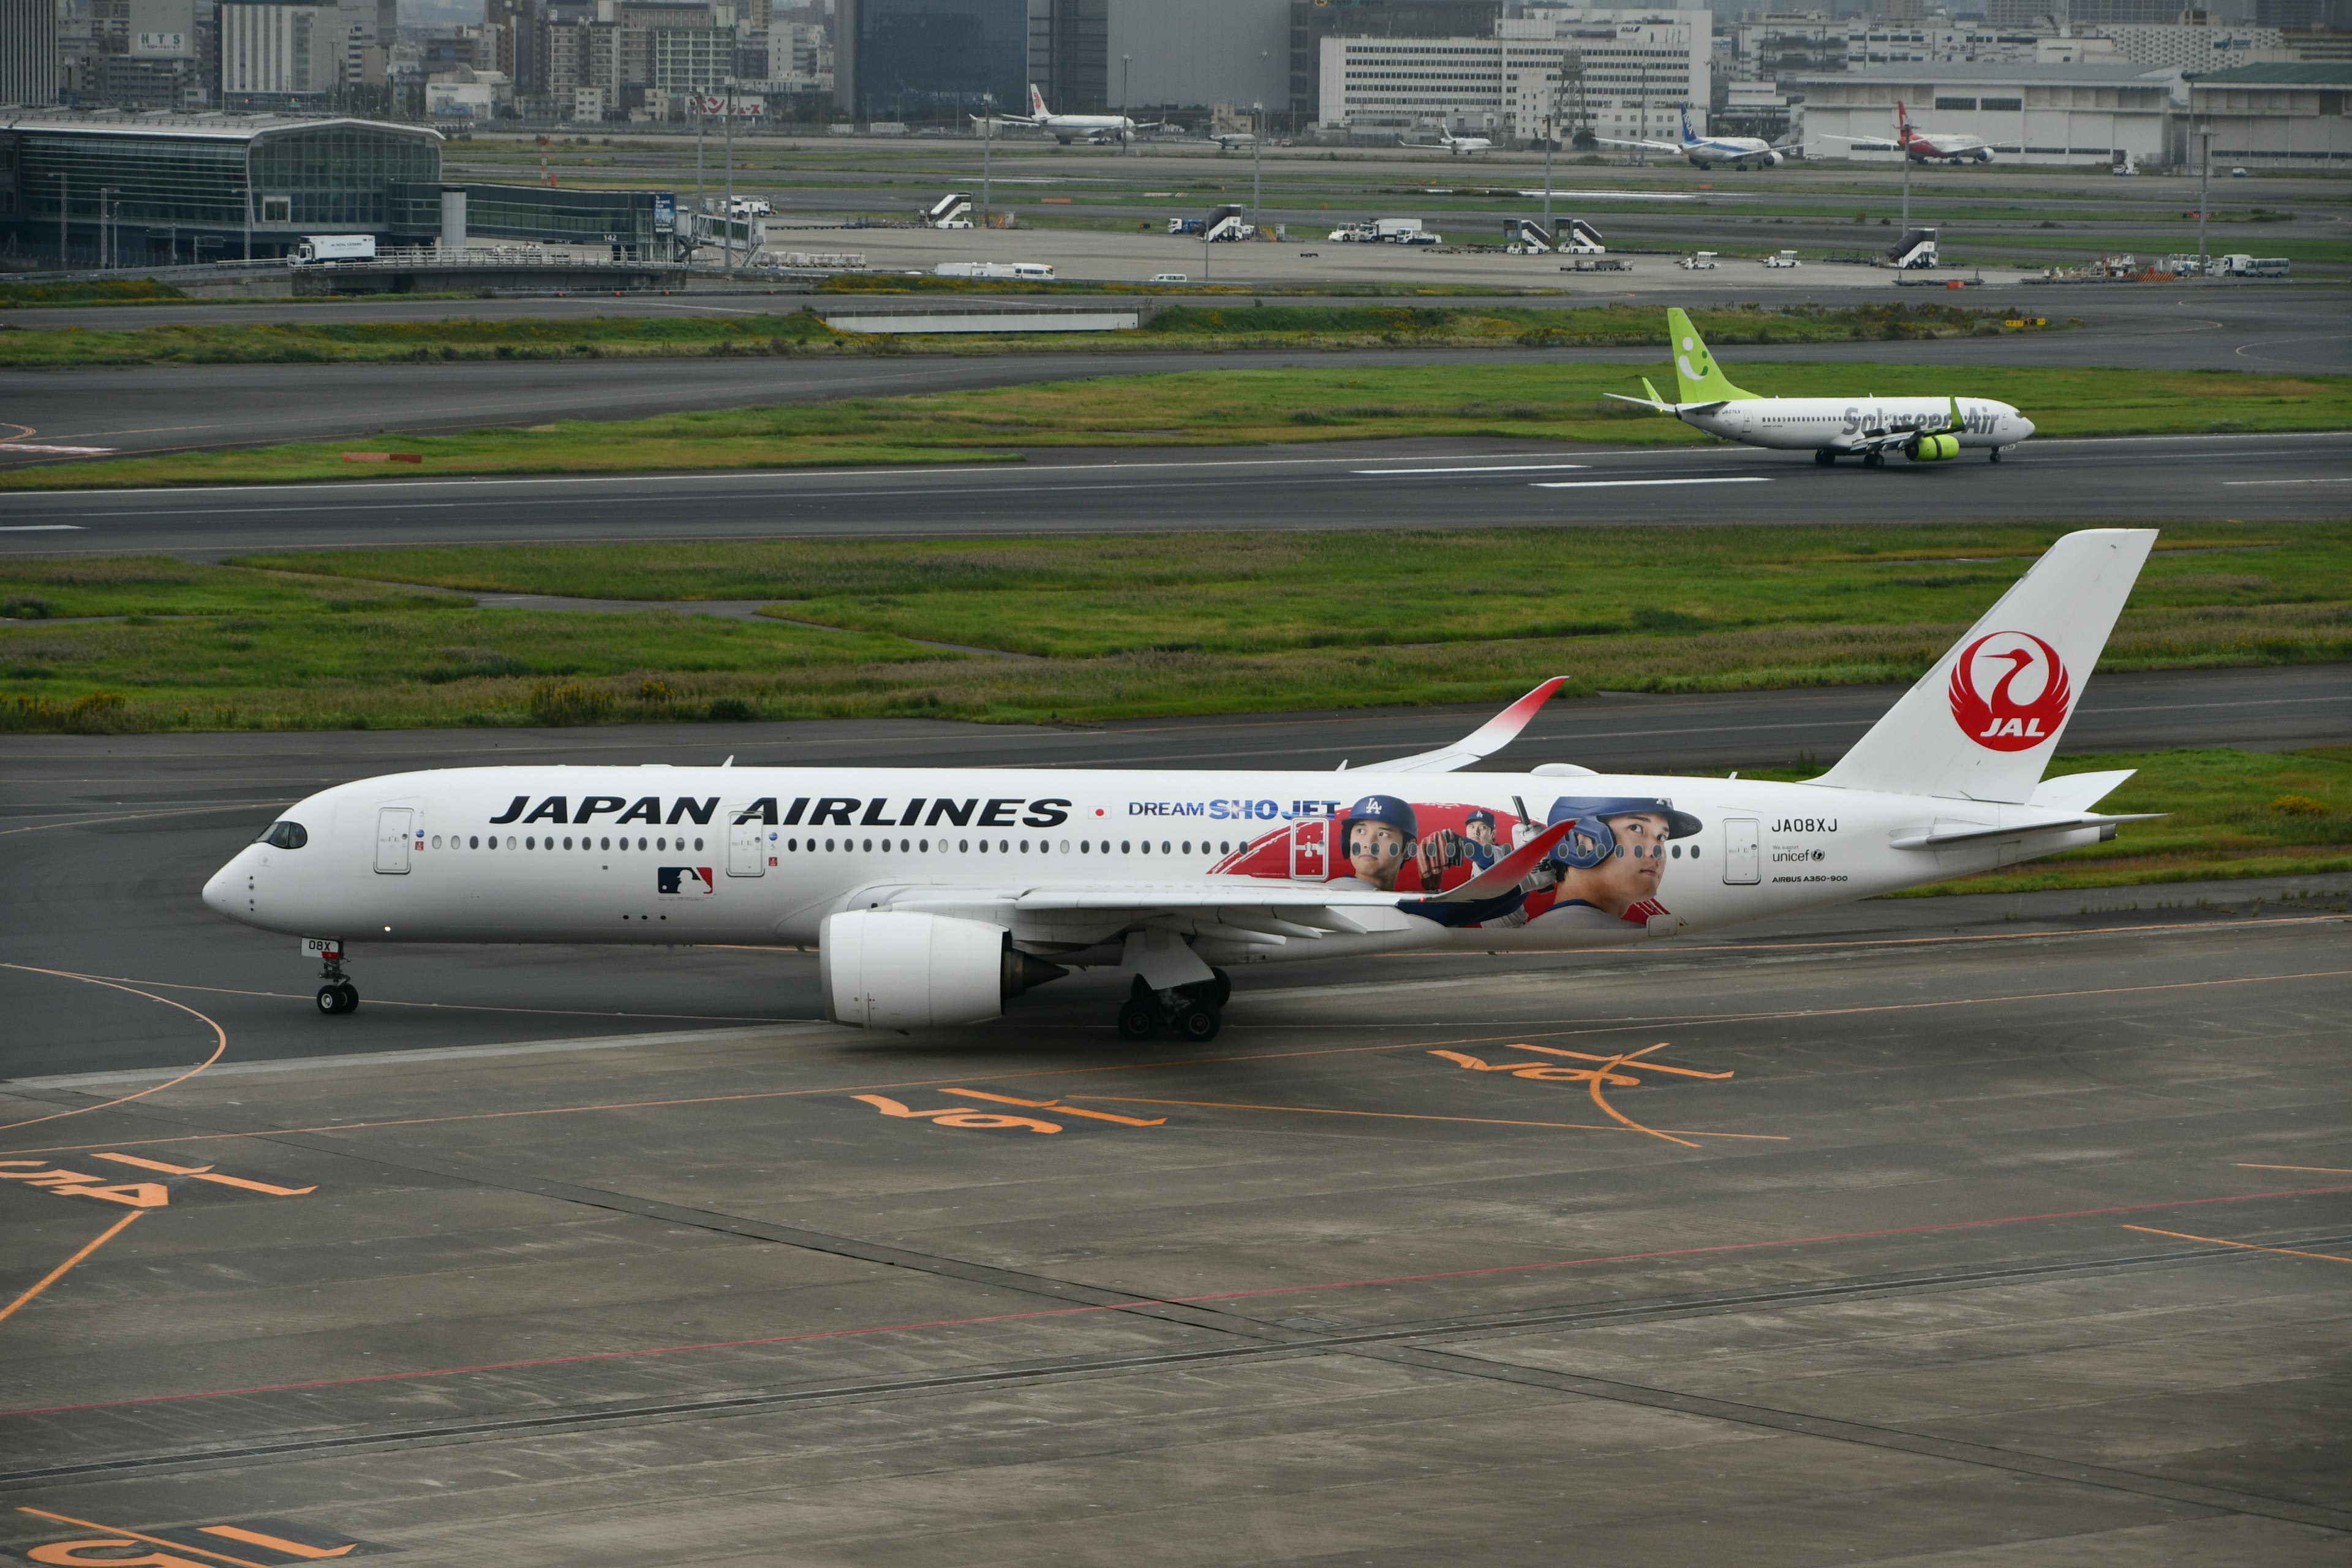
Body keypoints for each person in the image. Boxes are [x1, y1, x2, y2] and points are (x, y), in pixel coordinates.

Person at [1537, 796, 1702, 932]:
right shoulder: (1620, 934)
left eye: (1661, 837)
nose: (1655, 851)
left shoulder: (1537, 928)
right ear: (1582, 841)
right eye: (1636, 828)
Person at [1333, 794, 1417, 892]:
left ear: (1408, 849)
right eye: (1361, 831)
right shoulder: (1334, 896)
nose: (1368, 843)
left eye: (1383, 834)